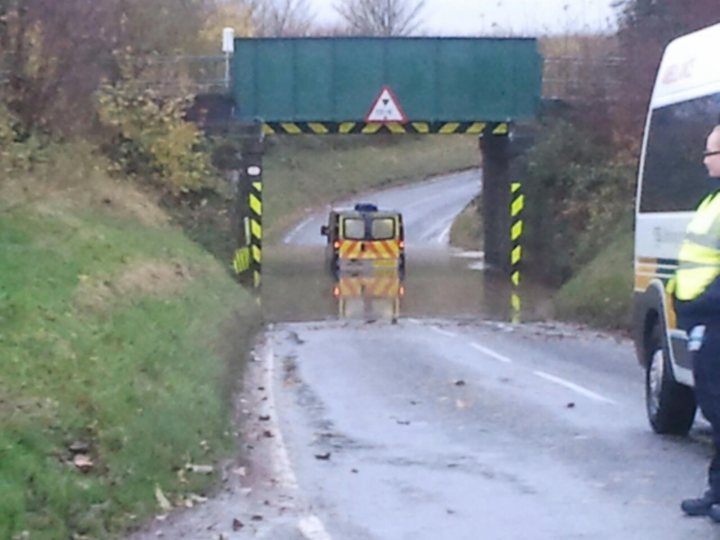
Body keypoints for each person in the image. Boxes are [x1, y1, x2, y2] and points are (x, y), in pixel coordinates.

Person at [674, 124, 720, 521]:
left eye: (711, 153)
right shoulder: (712, 201)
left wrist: (703, 304)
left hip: (715, 321)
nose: (706, 161)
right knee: (713, 407)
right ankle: (715, 491)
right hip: (703, 320)